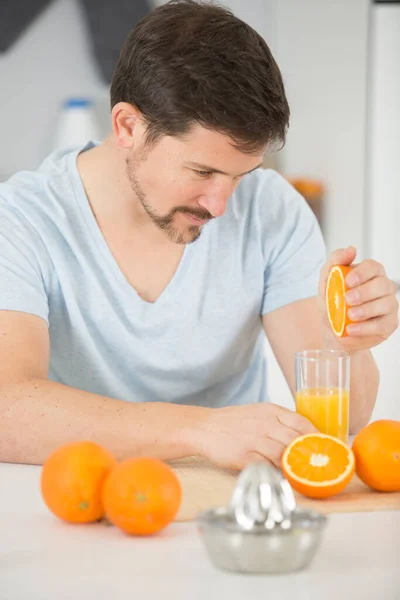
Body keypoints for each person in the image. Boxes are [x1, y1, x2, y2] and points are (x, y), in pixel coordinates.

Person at [0, 0, 398, 468]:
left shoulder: (272, 208)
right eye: (202, 170)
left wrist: (348, 343)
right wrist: (200, 430)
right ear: (128, 126)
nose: (221, 205)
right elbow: (9, 409)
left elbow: (347, 421)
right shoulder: (21, 220)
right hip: (79, 500)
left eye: (241, 176)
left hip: (231, 509)